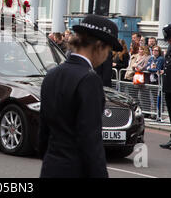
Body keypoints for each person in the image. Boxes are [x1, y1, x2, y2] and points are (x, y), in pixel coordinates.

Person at [39, 14, 123, 178]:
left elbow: (43, 131)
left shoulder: (52, 75)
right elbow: (90, 139)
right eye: (108, 50)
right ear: (99, 46)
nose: (107, 56)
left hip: (51, 167)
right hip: (76, 170)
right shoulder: (89, 80)